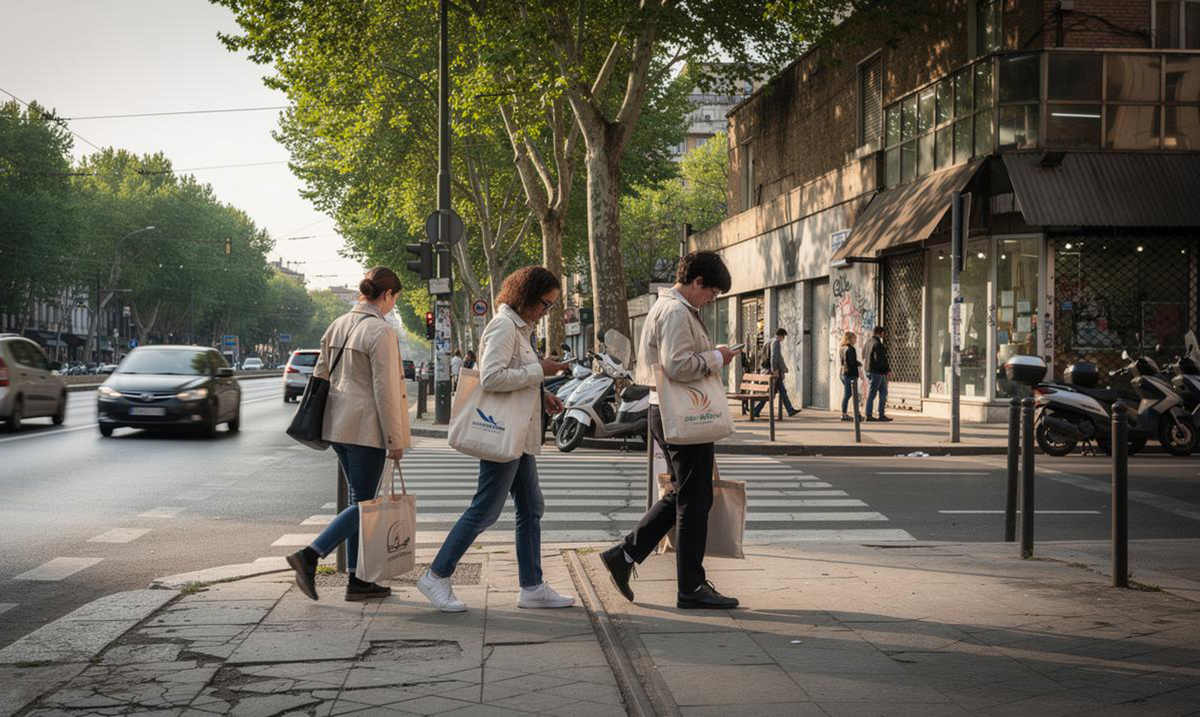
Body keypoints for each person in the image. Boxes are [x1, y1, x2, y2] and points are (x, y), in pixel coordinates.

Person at [418, 266, 574, 612]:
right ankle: (436, 575)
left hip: (517, 432)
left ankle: (532, 586)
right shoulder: (504, 327)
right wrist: (539, 371)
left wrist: (541, 393)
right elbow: (491, 378)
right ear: (527, 298)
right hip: (504, 432)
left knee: (532, 507)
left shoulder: (521, 328)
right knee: (485, 509)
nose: (546, 312)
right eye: (544, 305)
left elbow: (513, 377)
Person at [598, 251, 741, 610]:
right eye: (712, 293)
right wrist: (718, 357)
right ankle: (690, 587)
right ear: (697, 283)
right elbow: (677, 364)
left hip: (670, 411)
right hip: (684, 414)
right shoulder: (676, 311)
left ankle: (625, 554)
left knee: (686, 494)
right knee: (694, 501)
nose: (712, 300)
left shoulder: (667, 307)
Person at [286, 267, 409, 602]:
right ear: (387, 295)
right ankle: (310, 554)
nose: (392, 307)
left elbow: (321, 374)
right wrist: (395, 441)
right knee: (367, 506)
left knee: (360, 501)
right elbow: (385, 390)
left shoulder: (338, 324)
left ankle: (358, 580)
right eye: (394, 300)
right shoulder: (380, 331)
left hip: (336, 425)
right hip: (365, 428)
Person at [751, 327, 799, 418]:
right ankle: (756, 410)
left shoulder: (768, 341)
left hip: (768, 371)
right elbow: (774, 358)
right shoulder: (776, 342)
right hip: (772, 372)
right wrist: (774, 371)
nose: (783, 339)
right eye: (784, 337)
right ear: (782, 336)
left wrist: (782, 369)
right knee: (769, 393)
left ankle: (790, 410)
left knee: (782, 391)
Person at [863, 325, 892, 422]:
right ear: (880, 333)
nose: (884, 334)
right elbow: (880, 359)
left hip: (870, 370)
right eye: (883, 333)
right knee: (873, 393)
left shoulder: (868, 342)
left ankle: (881, 414)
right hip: (877, 372)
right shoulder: (878, 344)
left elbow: (864, 355)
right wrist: (887, 370)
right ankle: (869, 414)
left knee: (883, 392)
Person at [839, 331, 861, 421]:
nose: (856, 339)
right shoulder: (851, 349)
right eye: (854, 337)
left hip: (843, 373)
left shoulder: (842, 348)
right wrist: (858, 363)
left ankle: (855, 414)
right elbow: (851, 362)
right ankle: (845, 414)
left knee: (850, 394)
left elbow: (844, 361)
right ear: (850, 338)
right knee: (850, 394)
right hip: (850, 374)